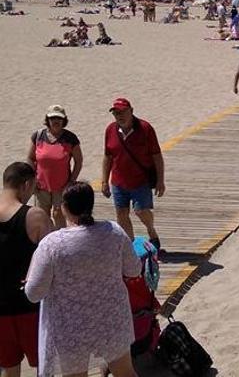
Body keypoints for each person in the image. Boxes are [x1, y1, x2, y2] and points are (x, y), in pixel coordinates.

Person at [24, 182, 141, 377]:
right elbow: (134, 270)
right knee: (125, 372)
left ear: (64, 207)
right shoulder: (114, 232)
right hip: (111, 319)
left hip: (70, 328)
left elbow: (34, 294)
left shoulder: (52, 245)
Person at [1, 163, 53, 377]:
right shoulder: (35, 217)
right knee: (44, 367)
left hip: (0, 311)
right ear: (26, 184)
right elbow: (53, 258)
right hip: (30, 308)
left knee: (9, 369)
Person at [101, 98, 165, 248]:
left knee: (141, 211)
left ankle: (151, 231)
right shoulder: (110, 130)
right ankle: (129, 245)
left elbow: (157, 156)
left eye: (123, 112)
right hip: (118, 181)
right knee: (121, 214)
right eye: (116, 113)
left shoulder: (145, 128)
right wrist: (104, 180)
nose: (119, 116)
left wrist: (160, 180)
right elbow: (107, 156)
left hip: (140, 181)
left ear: (131, 111)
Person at [26, 105, 83, 229]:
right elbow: (30, 158)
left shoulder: (71, 138)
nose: (56, 121)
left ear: (64, 120)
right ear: (48, 119)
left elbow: (78, 161)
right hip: (41, 186)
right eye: (53, 118)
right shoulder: (38, 136)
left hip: (62, 186)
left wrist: (71, 181)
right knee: (42, 216)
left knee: (59, 214)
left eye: (59, 118)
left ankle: (60, 242)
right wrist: (32, 179)